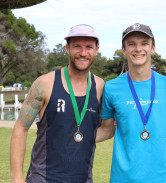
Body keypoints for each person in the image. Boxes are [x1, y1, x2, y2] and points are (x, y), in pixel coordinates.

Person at [10, 24, 104, 183]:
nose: (83, 53)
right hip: (43, 179)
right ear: (67, 48)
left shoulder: (100, 86)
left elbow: (101, 128)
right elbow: (21, 128)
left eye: (89, 47)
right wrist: (17, 179)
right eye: (77, 47)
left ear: (96, 49)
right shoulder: (45, 83)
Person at [96, 23, 166, 183]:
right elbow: (106, 130)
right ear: (124, 50)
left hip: (163, 178)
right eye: (131, 44)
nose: (138, 49)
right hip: (123, 178)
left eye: (144, 43)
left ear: (153, 48)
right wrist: (70, 138)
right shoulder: (111, 88)